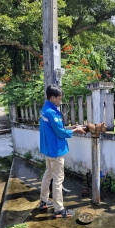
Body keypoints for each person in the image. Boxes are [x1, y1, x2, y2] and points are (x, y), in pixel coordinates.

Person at [39, 84, 86, 218]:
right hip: (55, 151)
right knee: (58, 179)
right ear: (52, 97)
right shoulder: (52, 112)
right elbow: (59, 132)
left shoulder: (45, 109)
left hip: (48, 149)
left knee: (48, 174)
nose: (61, 101)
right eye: (59, 98)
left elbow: (55, 128)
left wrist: (72, 127)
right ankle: (59, 209)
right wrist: (76, 130)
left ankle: (43, 201)